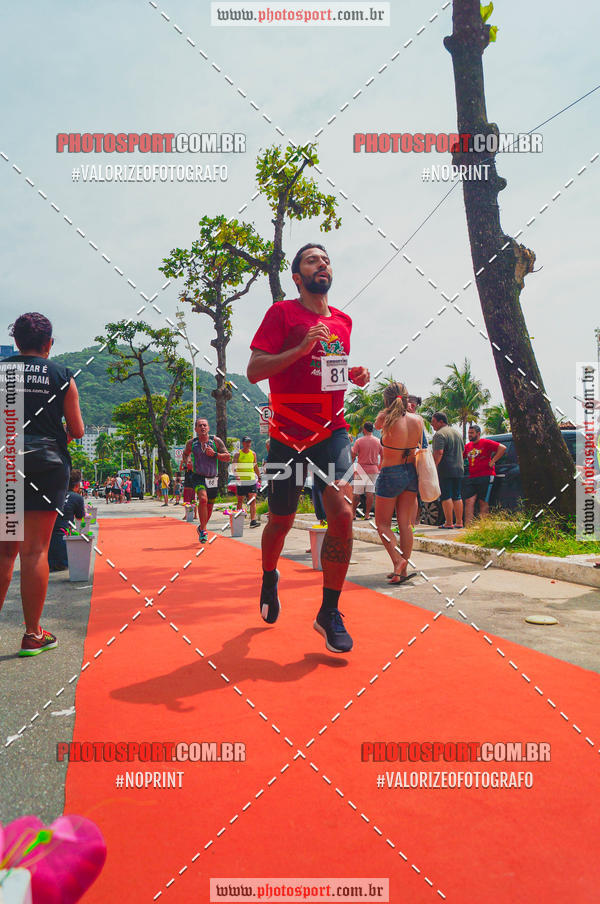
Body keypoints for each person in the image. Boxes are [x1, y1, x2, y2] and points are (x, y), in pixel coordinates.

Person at [247, 243, 370, 653]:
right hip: (287, 437)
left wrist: (353, 374)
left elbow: (327, 371)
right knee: (280, 522)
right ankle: (268, 576)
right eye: (312, 260)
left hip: (330, 432)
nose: (322, 263)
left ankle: (328, 612)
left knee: (343, 515)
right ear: (297, 277)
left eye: (326, 259)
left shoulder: (343, 321)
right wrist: (299, 349)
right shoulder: (282, 313)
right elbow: (254, 371)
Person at [0, 312, 84, 656]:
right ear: (48, 344)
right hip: (47, 464)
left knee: (5, 551)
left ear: (16, 342)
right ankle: (33, 634)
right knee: (35, 551)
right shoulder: (62, 375)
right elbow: (77, 431)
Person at [373, 382, 423, 584]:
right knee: (406, 523)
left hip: (390, 472)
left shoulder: (385, 418)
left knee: (382, 524)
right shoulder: (417, 420)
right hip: (411, 472)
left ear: (387, 399)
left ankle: (397, 561)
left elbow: (376, 426)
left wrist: (387, 409)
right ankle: (402, 569)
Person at [182, 418, 231, 543]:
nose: (202, 427)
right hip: (198, 476)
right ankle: (204, 530)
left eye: (205, 425)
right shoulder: (191, 443)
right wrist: (187, 461)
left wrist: (215, 454)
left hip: (213, 477)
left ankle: (201, 527)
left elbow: (227, 457)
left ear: (208, 428)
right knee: (203, 499)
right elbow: (185, 453)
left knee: (209, 506)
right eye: (200, 425)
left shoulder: (216, 441)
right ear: (196, 429)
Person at [463, 425, 506, 525]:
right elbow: (461, 456)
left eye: (471, 433)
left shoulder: (485, 442)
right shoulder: (468, 446)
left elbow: (502, 448)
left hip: (486, 475)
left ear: (478, 434)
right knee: (469, 501)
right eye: (469, 433)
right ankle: (468, 527)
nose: (469, 435)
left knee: (483, 501)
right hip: (472, 477)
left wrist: (493, 461)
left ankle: (483, 526)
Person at [431, 412, 465, 529]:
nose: (432, 425)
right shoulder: (458, 433)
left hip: (445, 469)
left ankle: (449, 522)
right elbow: (462, 451)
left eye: (434, 422)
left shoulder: (439, 435)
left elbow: (438, 453)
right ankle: (459, 522)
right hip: (459, 469)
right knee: (457, 495)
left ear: (441, 422)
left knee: (446, 496)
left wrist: (433, 467)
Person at [48, 469, 85, 571]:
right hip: (62, 551)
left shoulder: (52, 494)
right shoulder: (76, 497)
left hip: (44, 548)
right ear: (77, 485)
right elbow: (80, 517)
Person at [352, 421, 382, 520]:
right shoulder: (378, 441)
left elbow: (353, 455)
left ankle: (353, 514)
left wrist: (352, 466)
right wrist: (379, 466)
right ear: (372, 429)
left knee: (357, 493)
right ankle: (367, 514)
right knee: (370, 493)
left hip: (361, 469)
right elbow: (383, 456)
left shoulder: (359, 441)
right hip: (373, 469)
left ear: (364, 429)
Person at [233, 437, 261, 527]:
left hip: (251, 479)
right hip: (241, 480)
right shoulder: (238, 454)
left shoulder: (253, 454)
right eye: (246, 442)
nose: (248, 444)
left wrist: (259, 476)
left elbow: (255, 466)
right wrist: (236, 475)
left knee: (252, 500)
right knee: (240, 500)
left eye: (249, 442)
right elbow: (234, 467)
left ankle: (253, 521)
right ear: (243, 443)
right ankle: (238, 519)